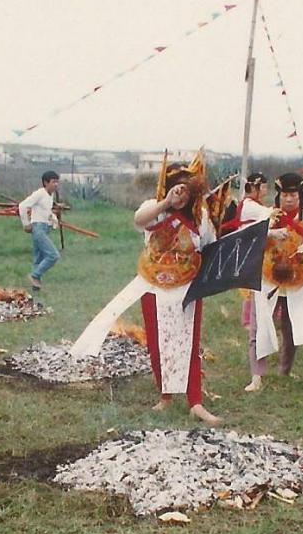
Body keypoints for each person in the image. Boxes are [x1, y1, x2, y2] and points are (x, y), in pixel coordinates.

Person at [71, 161, 221, 425]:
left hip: (186, 286)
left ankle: (195, 402)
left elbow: (210, 246)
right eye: (176, 188)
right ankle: (165, 395)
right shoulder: (154, 208)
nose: (181, 195)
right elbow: (138, 221)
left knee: (188, 342)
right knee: (157, 340)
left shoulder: (200, 215)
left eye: (186, 190)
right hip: (153, 286)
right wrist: (166, 203)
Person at [245, 172, 303, 392]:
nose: (289, 200)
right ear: (278, 195)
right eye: (285, 195)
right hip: (267, 278)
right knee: (259, 328)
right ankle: (256, 376)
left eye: (293, 195)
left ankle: (285, 370)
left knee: (291, 329)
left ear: (300, 196)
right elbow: (250, 237)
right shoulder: (268, 215)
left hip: (296, 281)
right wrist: (270, 234)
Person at [220, 171, 273, 336]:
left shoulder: (251, 204)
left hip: (251, 247)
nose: (266, 190)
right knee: (251, 286)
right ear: (255, 188)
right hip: (248, 248)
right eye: (264, 187)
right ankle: (248, 320)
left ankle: (259, 316)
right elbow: (270, 216)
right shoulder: (251, 206)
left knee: (258, 283)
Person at [19, 170, 61, 290]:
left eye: (57, 182)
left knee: (38, 258)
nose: (56, 185)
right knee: (53, 255)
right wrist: (26, 224)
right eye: (53, 182)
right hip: (38, 228)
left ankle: (35, 286)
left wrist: (54, 220)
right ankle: (34, 275)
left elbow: (47, 212)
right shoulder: (39, 194)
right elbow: (22, 206)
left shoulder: (50, 196)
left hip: (45, 227)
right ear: (46, 182)